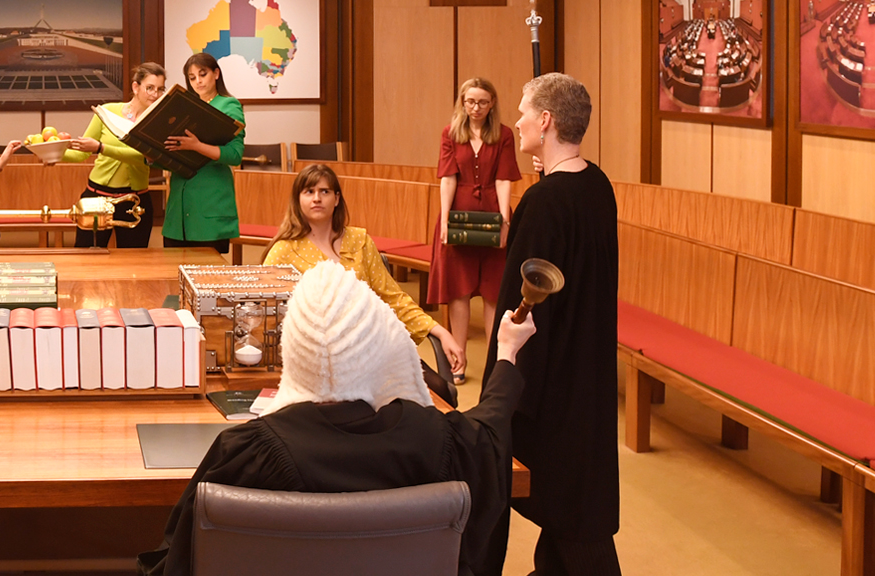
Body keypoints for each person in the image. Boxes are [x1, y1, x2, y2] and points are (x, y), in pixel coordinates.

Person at [136, 260, 538, 576]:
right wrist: (505, 353)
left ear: (293, 350)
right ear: (380, 347)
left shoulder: (247, 450)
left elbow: (178, 558)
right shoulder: (433, 437)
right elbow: (489, 432)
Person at [482, 72, 621, 576]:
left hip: (548, 388)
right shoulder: (597, 185)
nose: (515, 120)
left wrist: (504, 387)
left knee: (572, 525)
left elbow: (520, 308)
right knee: (573, 522)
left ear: (545, 121)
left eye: (523, 111)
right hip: (588, 377)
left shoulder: (543, 203)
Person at [263, 164, 465, 374]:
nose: (317, 198)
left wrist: (440, 331)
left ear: (337, 199)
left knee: (435, 391)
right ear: (298, 200)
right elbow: (264, 312)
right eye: (309, 192)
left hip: (373, 348)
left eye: (325, 191)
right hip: (319, 361)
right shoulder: (283, 251)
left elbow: (393, 299)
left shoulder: (359, 241)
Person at [429, 78, 521, 384]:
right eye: (470, 101)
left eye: (482, 102)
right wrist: (445, 221)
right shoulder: (450, 133)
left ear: (492, 102)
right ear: (462, 102)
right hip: (458, 214)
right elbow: (448, 178)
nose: (476, 108)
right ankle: (458, 359)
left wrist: (505, 221)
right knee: (460, 291)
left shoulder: (504, 134)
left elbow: (504, 178)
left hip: (493, 214)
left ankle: (497, 363)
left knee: (496, 291)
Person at [62, 62, 166, 248]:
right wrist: (52, 154)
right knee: (86, 259)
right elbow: (81, 154)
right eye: (149, 88)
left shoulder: (158, 123)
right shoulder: (107, 111)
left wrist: (102, 148)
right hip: (96, 198)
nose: (155, 94)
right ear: (136, 87)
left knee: (134, 264)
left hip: (135, 202)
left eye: (160, 89)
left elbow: (142, 157)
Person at [158, 53, 244, 254]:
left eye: (202, 74)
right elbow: (175, 152)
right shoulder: (183, 107)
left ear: (216, 74)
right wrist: (153, 154)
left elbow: (234, 155)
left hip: (210, 206)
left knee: (208, 279)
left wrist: (197, 146)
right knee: (173, 276)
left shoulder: (229, 105)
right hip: (178, 212)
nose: (198, 81)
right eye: (192, 77)